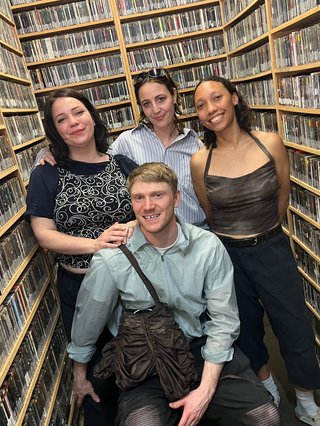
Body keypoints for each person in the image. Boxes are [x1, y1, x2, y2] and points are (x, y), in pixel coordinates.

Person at [68, 162, 280, 426]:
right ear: (131, 203)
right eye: (139, 198)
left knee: (264, 417)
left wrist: (205, 391)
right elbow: (90, 316)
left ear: (176, 198)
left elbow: (224, 320)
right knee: (141, 423)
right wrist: (80, 375)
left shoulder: (207, 246)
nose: (148, 206)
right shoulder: (113, 256)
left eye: (158, 195)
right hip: (146, 362)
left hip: (203, 350)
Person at [191, 75, 320, 425]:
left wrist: (262, 235)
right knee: (244, 327)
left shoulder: (270, 143)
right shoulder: (201, 161)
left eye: (216, 98)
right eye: (201, 105)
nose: (210, 109)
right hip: (228, 256)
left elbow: (282, 198)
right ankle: (268, 386)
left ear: (234, 98)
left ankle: (307, 399)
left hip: (272, 247)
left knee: (293, 323)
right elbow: (210, 211)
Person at [25, 88, 138, 425]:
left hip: (132, 287)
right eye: (62, 119)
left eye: (78, 112)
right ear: (55, 130)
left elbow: (153, 207)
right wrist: (95, 245)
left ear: (92, 115)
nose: (73, 123)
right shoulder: (46, 173)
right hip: (81, 288)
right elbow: (44, 235)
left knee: (141, 369)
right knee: (96, 381)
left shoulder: (123, 164)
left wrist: (132, 225)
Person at [36, 68, 207, 228]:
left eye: (161, 99)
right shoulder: (127, 142)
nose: (156, 109)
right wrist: (48, 152)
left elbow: (206, 199)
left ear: (174, 96)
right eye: (146, 104)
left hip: (196, 235)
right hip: (154, 243)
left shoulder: (195, 144)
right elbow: (92, 158)